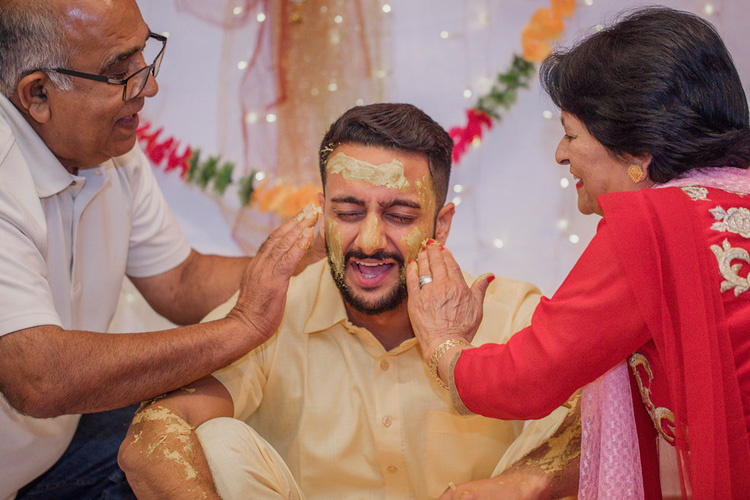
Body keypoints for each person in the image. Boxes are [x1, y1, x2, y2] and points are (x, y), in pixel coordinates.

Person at [117, 102, 579, 500]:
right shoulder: (270, 314)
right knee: (216, 441)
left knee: (590, 413)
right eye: (349, 213)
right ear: (323, 214)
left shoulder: (509, 310)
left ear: (441, 225)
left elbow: (624, 422)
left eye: (399, 215)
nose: (370, 241)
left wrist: (518, 484)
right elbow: (150, 435)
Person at [406, 7, 750, 500]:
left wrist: (442, 342)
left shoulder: (653, 228)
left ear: (637, 152)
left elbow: (526, 379)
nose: (561, 155)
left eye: (570, 134)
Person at [0, 1, 320, 499]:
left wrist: (325, 255)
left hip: (57, 448)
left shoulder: (107, 151)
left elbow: (181, 281)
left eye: (144, 56)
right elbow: (39, 378)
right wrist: (243, 328)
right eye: (118, 70)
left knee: (208, 437)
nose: (148, 86)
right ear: (38, 94)